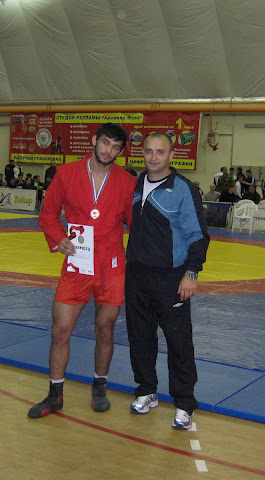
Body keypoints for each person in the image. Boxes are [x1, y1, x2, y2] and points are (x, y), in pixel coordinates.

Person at [29, 123, 137, 419]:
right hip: (78, 260)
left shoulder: (127, 182)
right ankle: (55, 393)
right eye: (105, 143)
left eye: (116, 147)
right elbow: (48, 215)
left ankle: (99, 386)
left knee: (106, 328)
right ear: (94, 140)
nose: (109, 151)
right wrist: (58, 238)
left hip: (111, 264)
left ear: (120, 151)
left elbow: (135, 224)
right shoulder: (66, 173)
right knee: (60, 328)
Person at [125, 133, 210, 430]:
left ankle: (184, 403)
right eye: (148, 151)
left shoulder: (183, 189)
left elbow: (198, 235)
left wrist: (191, 273)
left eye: (160, 152)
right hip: (136, 276)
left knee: (178, 342)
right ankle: (146, 390)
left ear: (171, 156)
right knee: (140, 337)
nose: (153, 157)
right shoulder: (136, 185)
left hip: (171, 278)